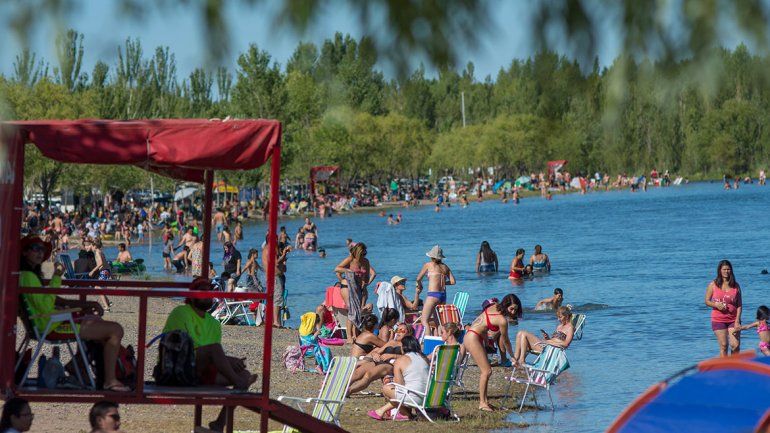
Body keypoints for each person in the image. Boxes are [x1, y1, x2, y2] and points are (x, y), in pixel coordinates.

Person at [19, 236, 130, 392]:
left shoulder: (27, 276)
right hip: (51, 327)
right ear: (24, 253)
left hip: (46, 323)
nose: (39, 252)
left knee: (95, 318)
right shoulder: (28, 277)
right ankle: (109, 380)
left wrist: (83, 305)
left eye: (42, 249)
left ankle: (78, 365)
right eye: (35, 248)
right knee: (116, 330)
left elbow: (50, 301)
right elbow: (47, 304)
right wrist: (57, 276)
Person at [162, 277, 258, 432]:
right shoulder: (181, 312)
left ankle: (219, 424)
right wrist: (227, 360)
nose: (208, 294)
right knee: (218, 354)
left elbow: (213, 358)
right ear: (192, 296)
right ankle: (240, 384)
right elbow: (179, 348)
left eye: (209, 291)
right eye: (203, 291)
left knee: (245, 373)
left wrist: (229, 362)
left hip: (198, 372)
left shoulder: (214, 324)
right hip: (176, 367)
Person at [463, 294, 522, 411]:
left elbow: (481, 322)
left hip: (474, 336)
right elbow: (506, 341)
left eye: (516, 309)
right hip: (473, 337)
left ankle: (485, 401)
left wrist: (486, 341)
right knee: (487, 371)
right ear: (506, 306)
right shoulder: (502, 320)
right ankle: (482, 403)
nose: (513, 312)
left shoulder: (494, 306)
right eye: (511, 309)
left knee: (487, 371)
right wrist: (513, 357)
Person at [367, 336, 429, 421]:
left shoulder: (400, 360)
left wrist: (391, 380)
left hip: (415, 399)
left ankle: (405, 414)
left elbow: (400, 386)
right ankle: (381, 411)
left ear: (403, 347)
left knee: (387, 388)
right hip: (428, 397)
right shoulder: (424, 358)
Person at [347, 323, 415, 395]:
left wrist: (393, 356)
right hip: (380, 362)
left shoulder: (408, 345)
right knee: (356, 373)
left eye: (402, 330)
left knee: (368, 375)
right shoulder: (392, 342)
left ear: (409, 332)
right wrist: (375, 354)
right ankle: (342, 388)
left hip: (391, 365)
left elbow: (410, 358)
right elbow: (377, 351)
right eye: (397, 330)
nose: (398, 332)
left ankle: (349, 391)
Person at [334, 243, 377, 341]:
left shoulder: (366, 261)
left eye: (365, 253)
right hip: (347, 286)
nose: (363, 255)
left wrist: (366, 284)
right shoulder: (350, 259)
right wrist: (349, 271)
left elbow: (367, 276)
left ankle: (355, 335)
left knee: (358, 310)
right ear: (357, 252)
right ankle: (349, 337)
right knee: (352, 309)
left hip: (359, 288)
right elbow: (337, 269)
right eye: (362, 253)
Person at [705, 259, 743, 356]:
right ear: (720, 270)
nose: (726, 271)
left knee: (735, 345)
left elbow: (739, 305)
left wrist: (737, 320)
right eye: (724, 269)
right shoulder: (713, 284)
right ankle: (724, 369)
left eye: (728, 269)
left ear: (731, 271)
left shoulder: (736, 285)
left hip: (733, 320)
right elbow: (707, 301)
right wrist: (716, 305)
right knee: (724, 345)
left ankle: (735, 367)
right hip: (718, 319)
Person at [416, 245, 455, 336]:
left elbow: (418, 278)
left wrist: (420, 285)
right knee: (438, 322)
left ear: (431, 256)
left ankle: (428, 342)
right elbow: (453, 282)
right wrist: (444, 283)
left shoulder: (428, 265)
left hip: (433, 295)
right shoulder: (445, 267)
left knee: (424, 320)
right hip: (442, 296)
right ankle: (440, 341)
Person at [262, 238, 291, 328]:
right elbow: (276, 263)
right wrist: (283, 254)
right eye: (276, 238)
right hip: (275, 276)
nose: (277, 240)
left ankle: (273, 321)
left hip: (271, 277)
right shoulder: (270, 249)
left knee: (273, 299)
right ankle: (276, 322)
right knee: (277, 299)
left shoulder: (266, 249)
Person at [87, 238, 112, 310]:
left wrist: (92, 271)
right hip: (106, 270)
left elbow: (101, 263)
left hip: (104, 271)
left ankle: (106, 307)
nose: (90, 247)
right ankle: (107, 302)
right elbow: (105, 262)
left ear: (94, 245)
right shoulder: (100, 251)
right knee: (98, 287)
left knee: (98, 288)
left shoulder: (97, 252)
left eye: (90, 245)